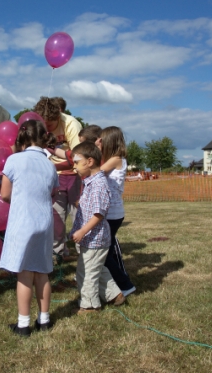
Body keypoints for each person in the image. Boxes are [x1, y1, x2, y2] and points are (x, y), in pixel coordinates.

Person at [0, 120, 59, 337]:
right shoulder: (50, 164)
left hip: (24, 221)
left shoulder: (14, 159)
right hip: (44, 221)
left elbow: (5, 194)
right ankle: (44, 319)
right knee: (42, 272)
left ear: (22, 137)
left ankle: (23, 324)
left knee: (25, 274)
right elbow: (54, 191)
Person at [70, 142, 125, 314]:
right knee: (97, 268)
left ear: (90, 161)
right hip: (91, 238)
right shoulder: (90, 183)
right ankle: (114, 295)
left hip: (95, 239)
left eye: (77, 162)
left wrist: (82, 231)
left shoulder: (99, 184)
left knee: (87, 273)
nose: (74, 167)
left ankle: (90, 306)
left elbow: (99, 214)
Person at [33, 97, 82, 261]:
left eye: (50, 125)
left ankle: (83, 252)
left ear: (58, 117)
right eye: (43, 125)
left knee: (79, 215)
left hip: (76, 175)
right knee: (56, 216)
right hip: (56, 176)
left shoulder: (71, 124)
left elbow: (78, 158)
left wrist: (54, 167)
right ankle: (57, 253)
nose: (46, 129)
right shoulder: (39, 125)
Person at [97, 127, 136, 296]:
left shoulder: (115, 159)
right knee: (108, 250)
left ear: (109, 142)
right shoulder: (114, 159)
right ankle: (120, 283)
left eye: (100, 140)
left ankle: (125, 285)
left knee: (103, 253)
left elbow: (96, 173)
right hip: (113, 212)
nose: (98, 142)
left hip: (111, 214)